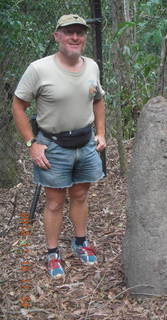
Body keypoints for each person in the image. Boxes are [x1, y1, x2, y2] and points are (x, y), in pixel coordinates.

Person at [12, 14, 106, 278]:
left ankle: (80, 241)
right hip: (53, 146)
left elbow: (98, 99)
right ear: (57, 36)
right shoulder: (39, 69)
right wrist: (32, 143)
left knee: (80, 195)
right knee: (54, 202)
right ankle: (52, 253)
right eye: (69, 32)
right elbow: (18, 106)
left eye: (80, 32)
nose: (75, 37)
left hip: (85, 144)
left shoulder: (92, 67)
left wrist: (100, 132)